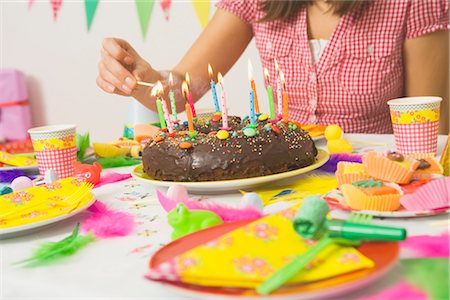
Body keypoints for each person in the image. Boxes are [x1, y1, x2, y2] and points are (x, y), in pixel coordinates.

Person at [97, 0, 449, 133]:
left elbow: (429, 132)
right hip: (282, 188)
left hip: (374, 190)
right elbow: (181, 94)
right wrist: (140, 76)